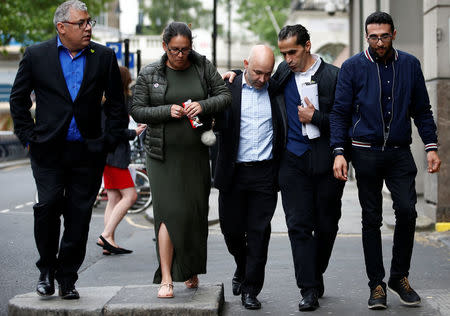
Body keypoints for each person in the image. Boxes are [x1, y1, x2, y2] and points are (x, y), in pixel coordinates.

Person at [9, 0, 128, 300]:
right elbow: (18, 100)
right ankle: (46, 270)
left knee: (79, 217)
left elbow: (117, 104)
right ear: (62, 28)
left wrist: (107, 142)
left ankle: (67, 278)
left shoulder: (102, 56)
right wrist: (27, 138)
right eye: (81, 23)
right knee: (47, 208)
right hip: (47, 151)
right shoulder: (36, 55)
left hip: (88, 153)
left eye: (90, 22)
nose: (88, 27)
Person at [225, 24, 346, 312]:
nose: (288, 58)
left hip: (327, 161)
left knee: (327, 226)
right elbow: (256, 77)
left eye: (292, 52)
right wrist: (232, 74)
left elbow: (344, 119)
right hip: (292, 162)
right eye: (283, 53)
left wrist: (315, 117)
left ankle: (314, 275)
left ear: (307, 45)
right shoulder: (281, 73)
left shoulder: (332, 77)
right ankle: (308, 289)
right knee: (298, 227)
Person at [330, 12, 441, 310]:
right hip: (364, 152)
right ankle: (376, 284)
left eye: (384, 36)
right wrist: (339, 152)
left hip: (398, 152)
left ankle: (399, 277)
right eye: (373, 37)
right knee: (371, 219)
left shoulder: (409, 65)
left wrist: (431, 146)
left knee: (407, 211)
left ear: (394, 33)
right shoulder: (352, 67)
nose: (379, 42)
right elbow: (339, 113)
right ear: (367, 36)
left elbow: (423, 109)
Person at [130, 21, 231, 299]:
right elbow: (138, 110)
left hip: (196, 152)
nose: (180, 55)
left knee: (193, 215)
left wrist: (203, 104)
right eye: (174, 50)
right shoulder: (150, 73)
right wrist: (166, 110)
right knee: (168, 214)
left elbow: (223, 96)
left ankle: (189, 268)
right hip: (161, 155)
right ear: (164, 47)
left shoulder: (202, 66)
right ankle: (166, 277)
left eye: (185, 49)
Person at [214, 45, 283, 310]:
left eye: (268, 73)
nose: (263, 79)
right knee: (231, 231)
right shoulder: (227, 87)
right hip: (233, 172)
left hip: (265, 173)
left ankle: (251, 289)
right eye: (257, 72)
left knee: (258, 234)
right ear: (245, 64)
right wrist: (228, 74)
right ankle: (242, 267)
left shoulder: (276, 89)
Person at [97, 66, 147, 255]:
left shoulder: (104, 99)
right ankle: (106, 235)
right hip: (115, 155)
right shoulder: (115, 101)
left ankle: (108, 242)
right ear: (125, 80)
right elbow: (113, 132)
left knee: (114, 198)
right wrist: (133, 132)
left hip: (106, 154)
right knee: (130, 196)